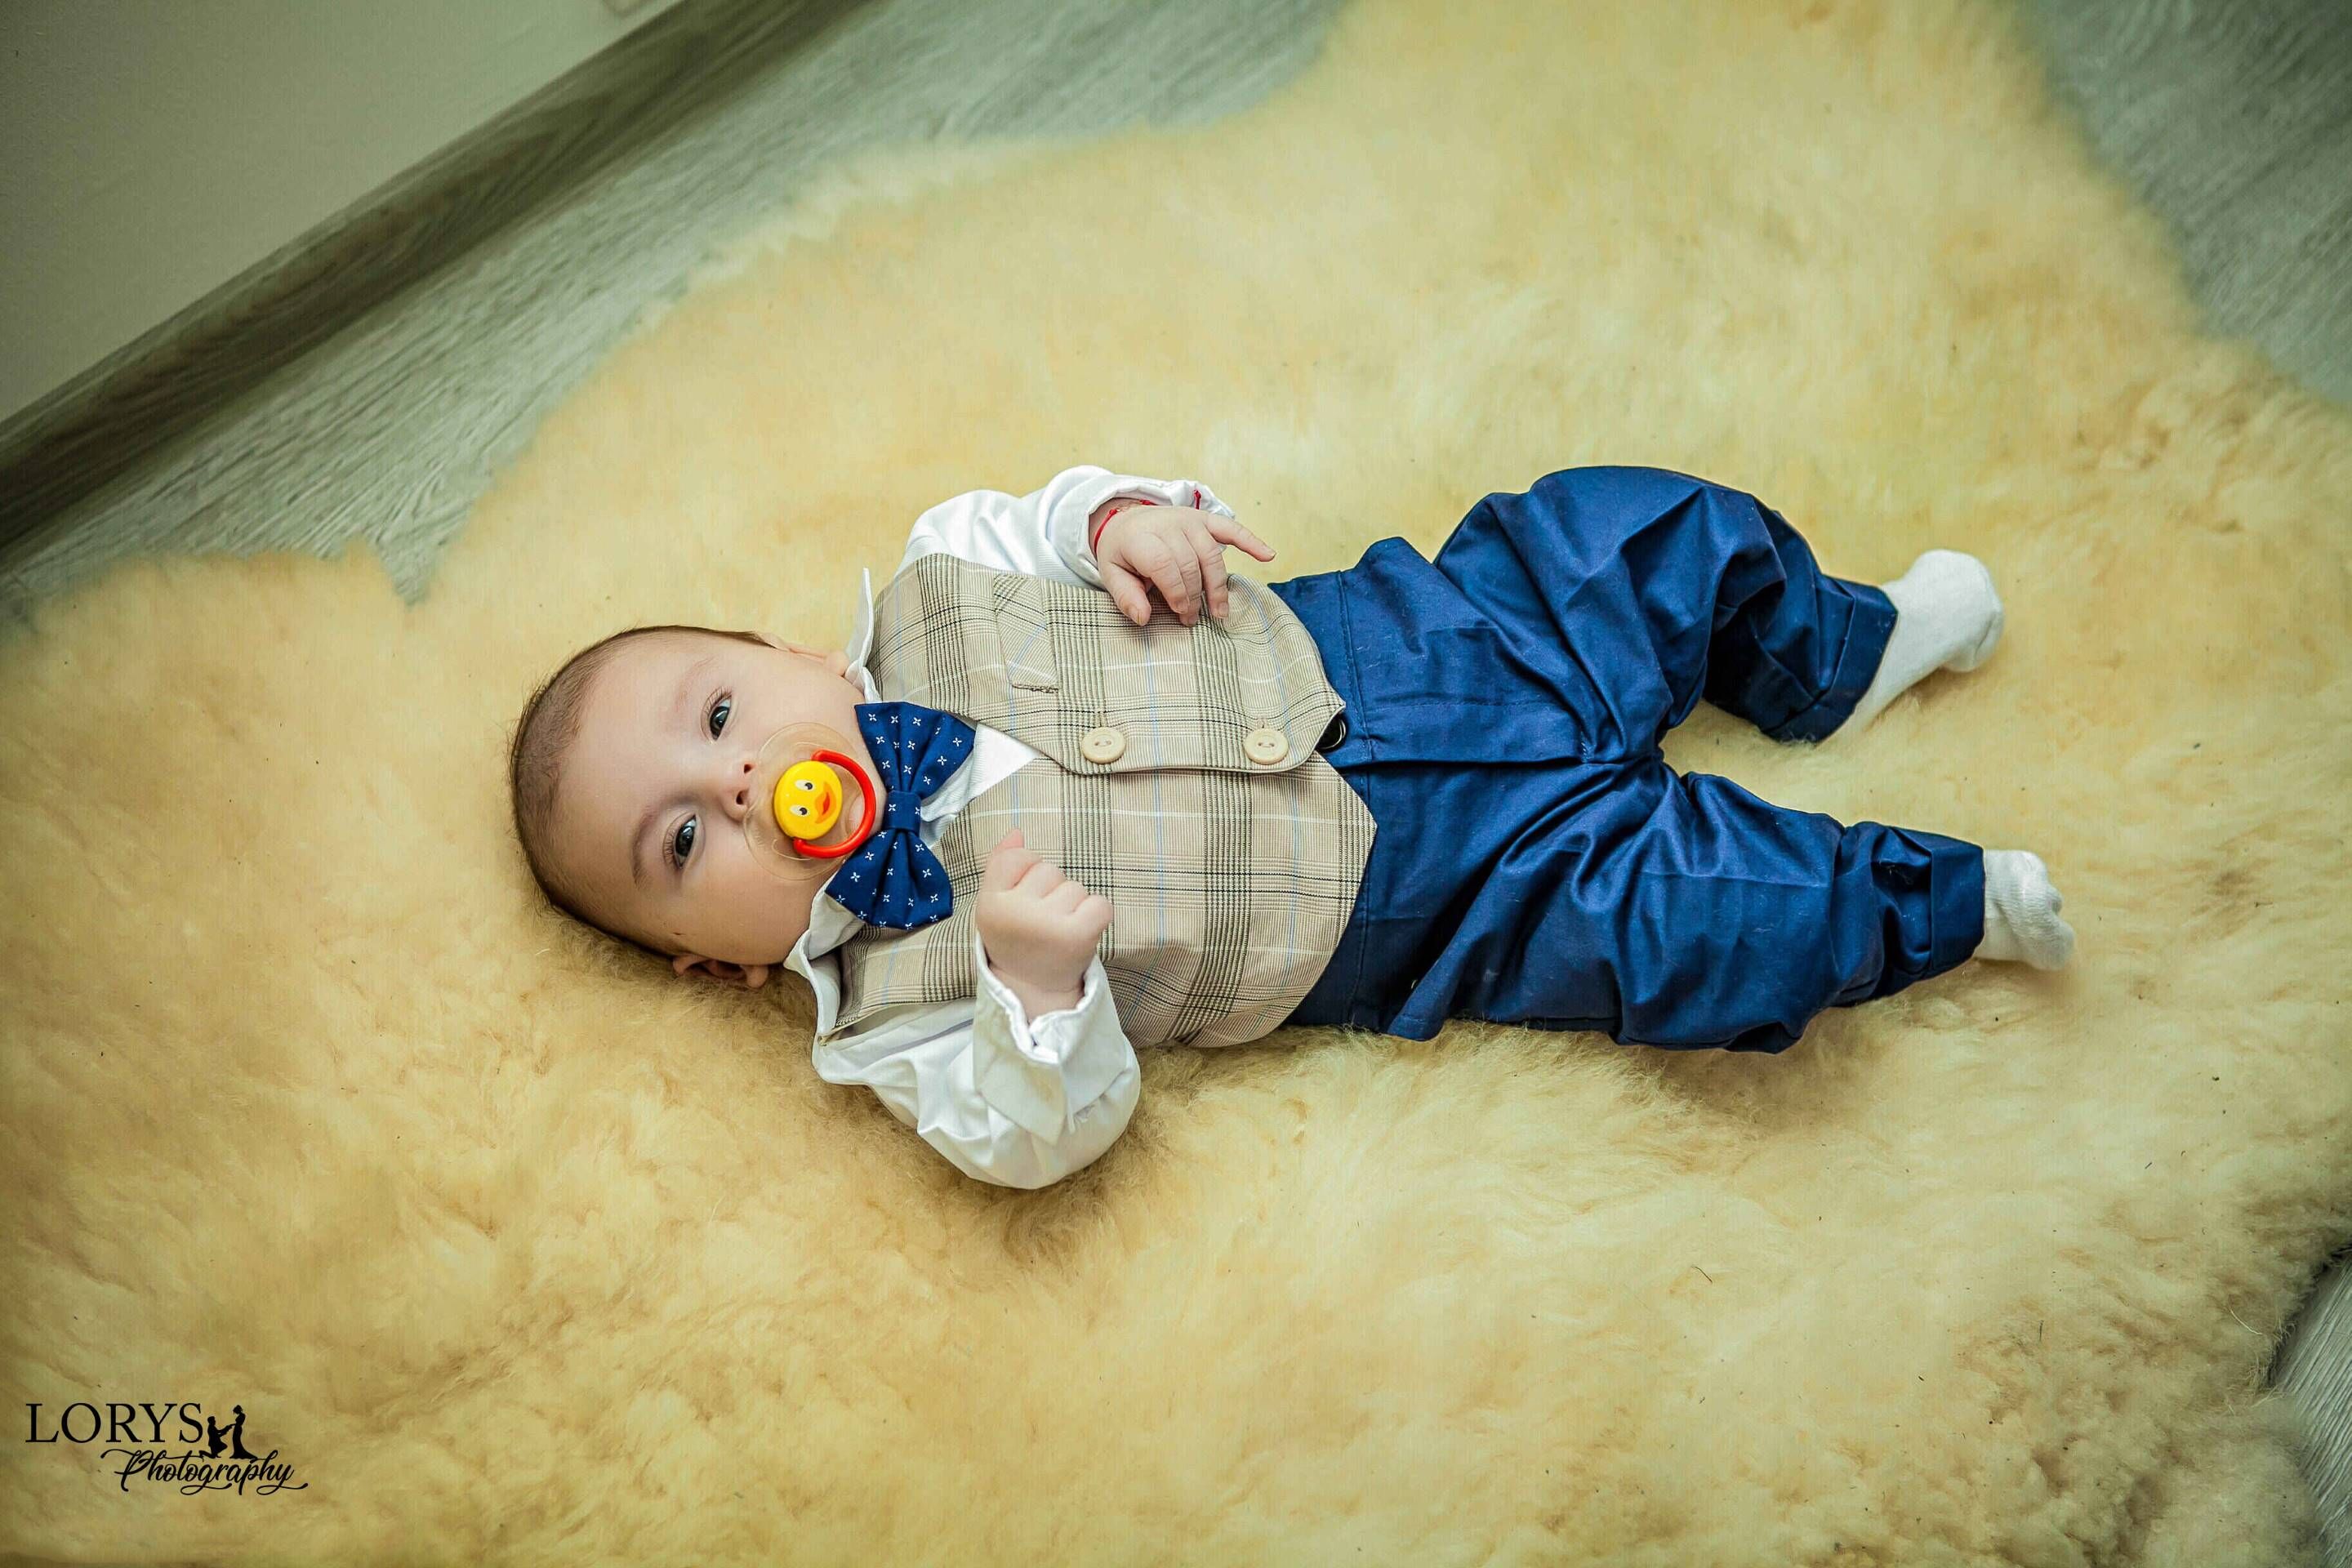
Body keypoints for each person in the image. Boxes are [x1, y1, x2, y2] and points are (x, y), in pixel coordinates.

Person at [506, 465, 2074, 1189]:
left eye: (721, 713)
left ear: (784, 651)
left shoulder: (939, 578)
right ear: (714, 965)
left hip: (1413, 639)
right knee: (1711, 928)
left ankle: (1837, 654)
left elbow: (1050, 515)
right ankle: (1942, 907)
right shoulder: (897, 1019)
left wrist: (1122, 523)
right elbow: (1039, 1141)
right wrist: (1038, 997)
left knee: (1636, 530)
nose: (735, 784)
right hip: (1442, 906)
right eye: (682, 847)